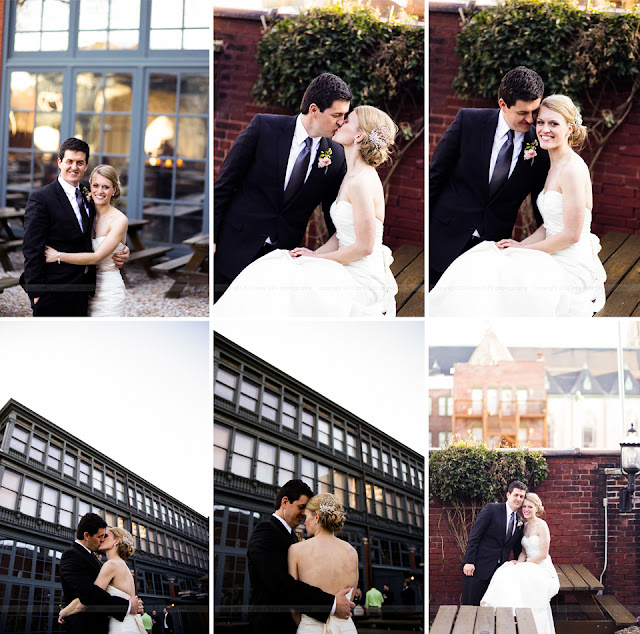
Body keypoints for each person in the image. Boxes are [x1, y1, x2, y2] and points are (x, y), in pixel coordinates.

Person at [213, 105, 398, 318]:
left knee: (281, 280)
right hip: (344, 264)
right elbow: (343, 235)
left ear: (359, 136)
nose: (340, 122)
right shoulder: (350, 176)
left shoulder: (361, 181)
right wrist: (312, 255)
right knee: (278, 266)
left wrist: (319, 260)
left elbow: (365, 247)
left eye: (347, 121)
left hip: (359, 276)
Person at [430, 94, 606, 316]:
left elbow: (571, 235)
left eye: (554, 124)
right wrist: (519, 246)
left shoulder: (572, 169)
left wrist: (525, 250)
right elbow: (550, 226)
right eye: (541, 122)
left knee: (497, 280)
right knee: (485, 260)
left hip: (569, 263)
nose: (544, 129)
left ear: (570, 129)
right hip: (550, 253)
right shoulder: (552, 163)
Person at [214, 73, 351, 301]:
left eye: (345, 116)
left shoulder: (336, 156)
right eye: (337, 115)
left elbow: (332, 214)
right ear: (314, 110)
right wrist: (214, 238)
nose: (341, 122)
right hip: (234, 245)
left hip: (281, 257)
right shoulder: (263, 127)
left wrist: (339, 256)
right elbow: (225, 185)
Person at [429, 66, 549, 288]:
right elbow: (435, 177)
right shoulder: (468, 122)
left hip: (492, 249)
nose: (531, 120)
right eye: (523, 113)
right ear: (503, 104)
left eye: (535, 111)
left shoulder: (540, 146)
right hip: (444, 238)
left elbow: (540, 204)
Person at [21, 138, 129, 316]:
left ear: (86, 166)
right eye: (69, 161)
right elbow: (31, 249)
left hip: (83, 291)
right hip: (53, 292)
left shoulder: (90, 192)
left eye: (80, 162)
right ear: (59, 162)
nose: (74, 167)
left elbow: (102, 230)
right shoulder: (41, 199)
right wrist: (36, 294)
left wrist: (123, 249)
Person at [247, 480, 354, 633]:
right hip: (272, 626)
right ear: (285, 502)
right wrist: (332, 603)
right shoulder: (265, 532)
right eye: (301, 507)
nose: (304, 513)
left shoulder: (292, 537)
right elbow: (280, 584)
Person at [44, 164, 128, 317]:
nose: (100, 191)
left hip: (109, 293)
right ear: (90, 186)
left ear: (114, 189)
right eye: (95, 185)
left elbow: (97, 257)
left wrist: (57, 256)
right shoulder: (84, 212)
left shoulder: (120, 220)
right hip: (82, 290)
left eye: (106, 187)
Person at [481, 493, 560, 634]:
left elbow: (542, 554)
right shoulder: (523, 525)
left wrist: (525, 565)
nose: (526, 510)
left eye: (530, 507)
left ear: (537, 508)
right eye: (524, 506)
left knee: (524, 584)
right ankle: (502, 616)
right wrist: (518, 563)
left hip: (541, 566)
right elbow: (524, 552)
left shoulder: (542, 525)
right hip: (528, 564)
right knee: (505, 570)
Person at [59, 514, 144, 634]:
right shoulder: (72, 555)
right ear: (87, 536)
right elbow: (88, 595)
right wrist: (128, 605)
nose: (102, 539)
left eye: (105, 536)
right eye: (100, 536)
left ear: (116, 542)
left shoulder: (109, 564)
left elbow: (92, 595)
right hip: (85, 627)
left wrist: (64, 612)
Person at [288, 493, 359, 633]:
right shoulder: (352, 552)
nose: (304, 522)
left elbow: (293, 605)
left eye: (307, 517)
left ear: (317, 517)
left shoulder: (296, 550)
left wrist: (305, 625)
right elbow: (349, 601)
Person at [461, 480, 528, 606]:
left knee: (490, 612)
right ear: (508, 495)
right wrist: (469, 561)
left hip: (498, 575)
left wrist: (519, 564)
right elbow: (475, 536)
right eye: (516, 495)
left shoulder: (520, 521)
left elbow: (517, 548)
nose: (518, 499)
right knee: (470, 610)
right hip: (477, 569)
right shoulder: (492, 509)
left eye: (521, 496)